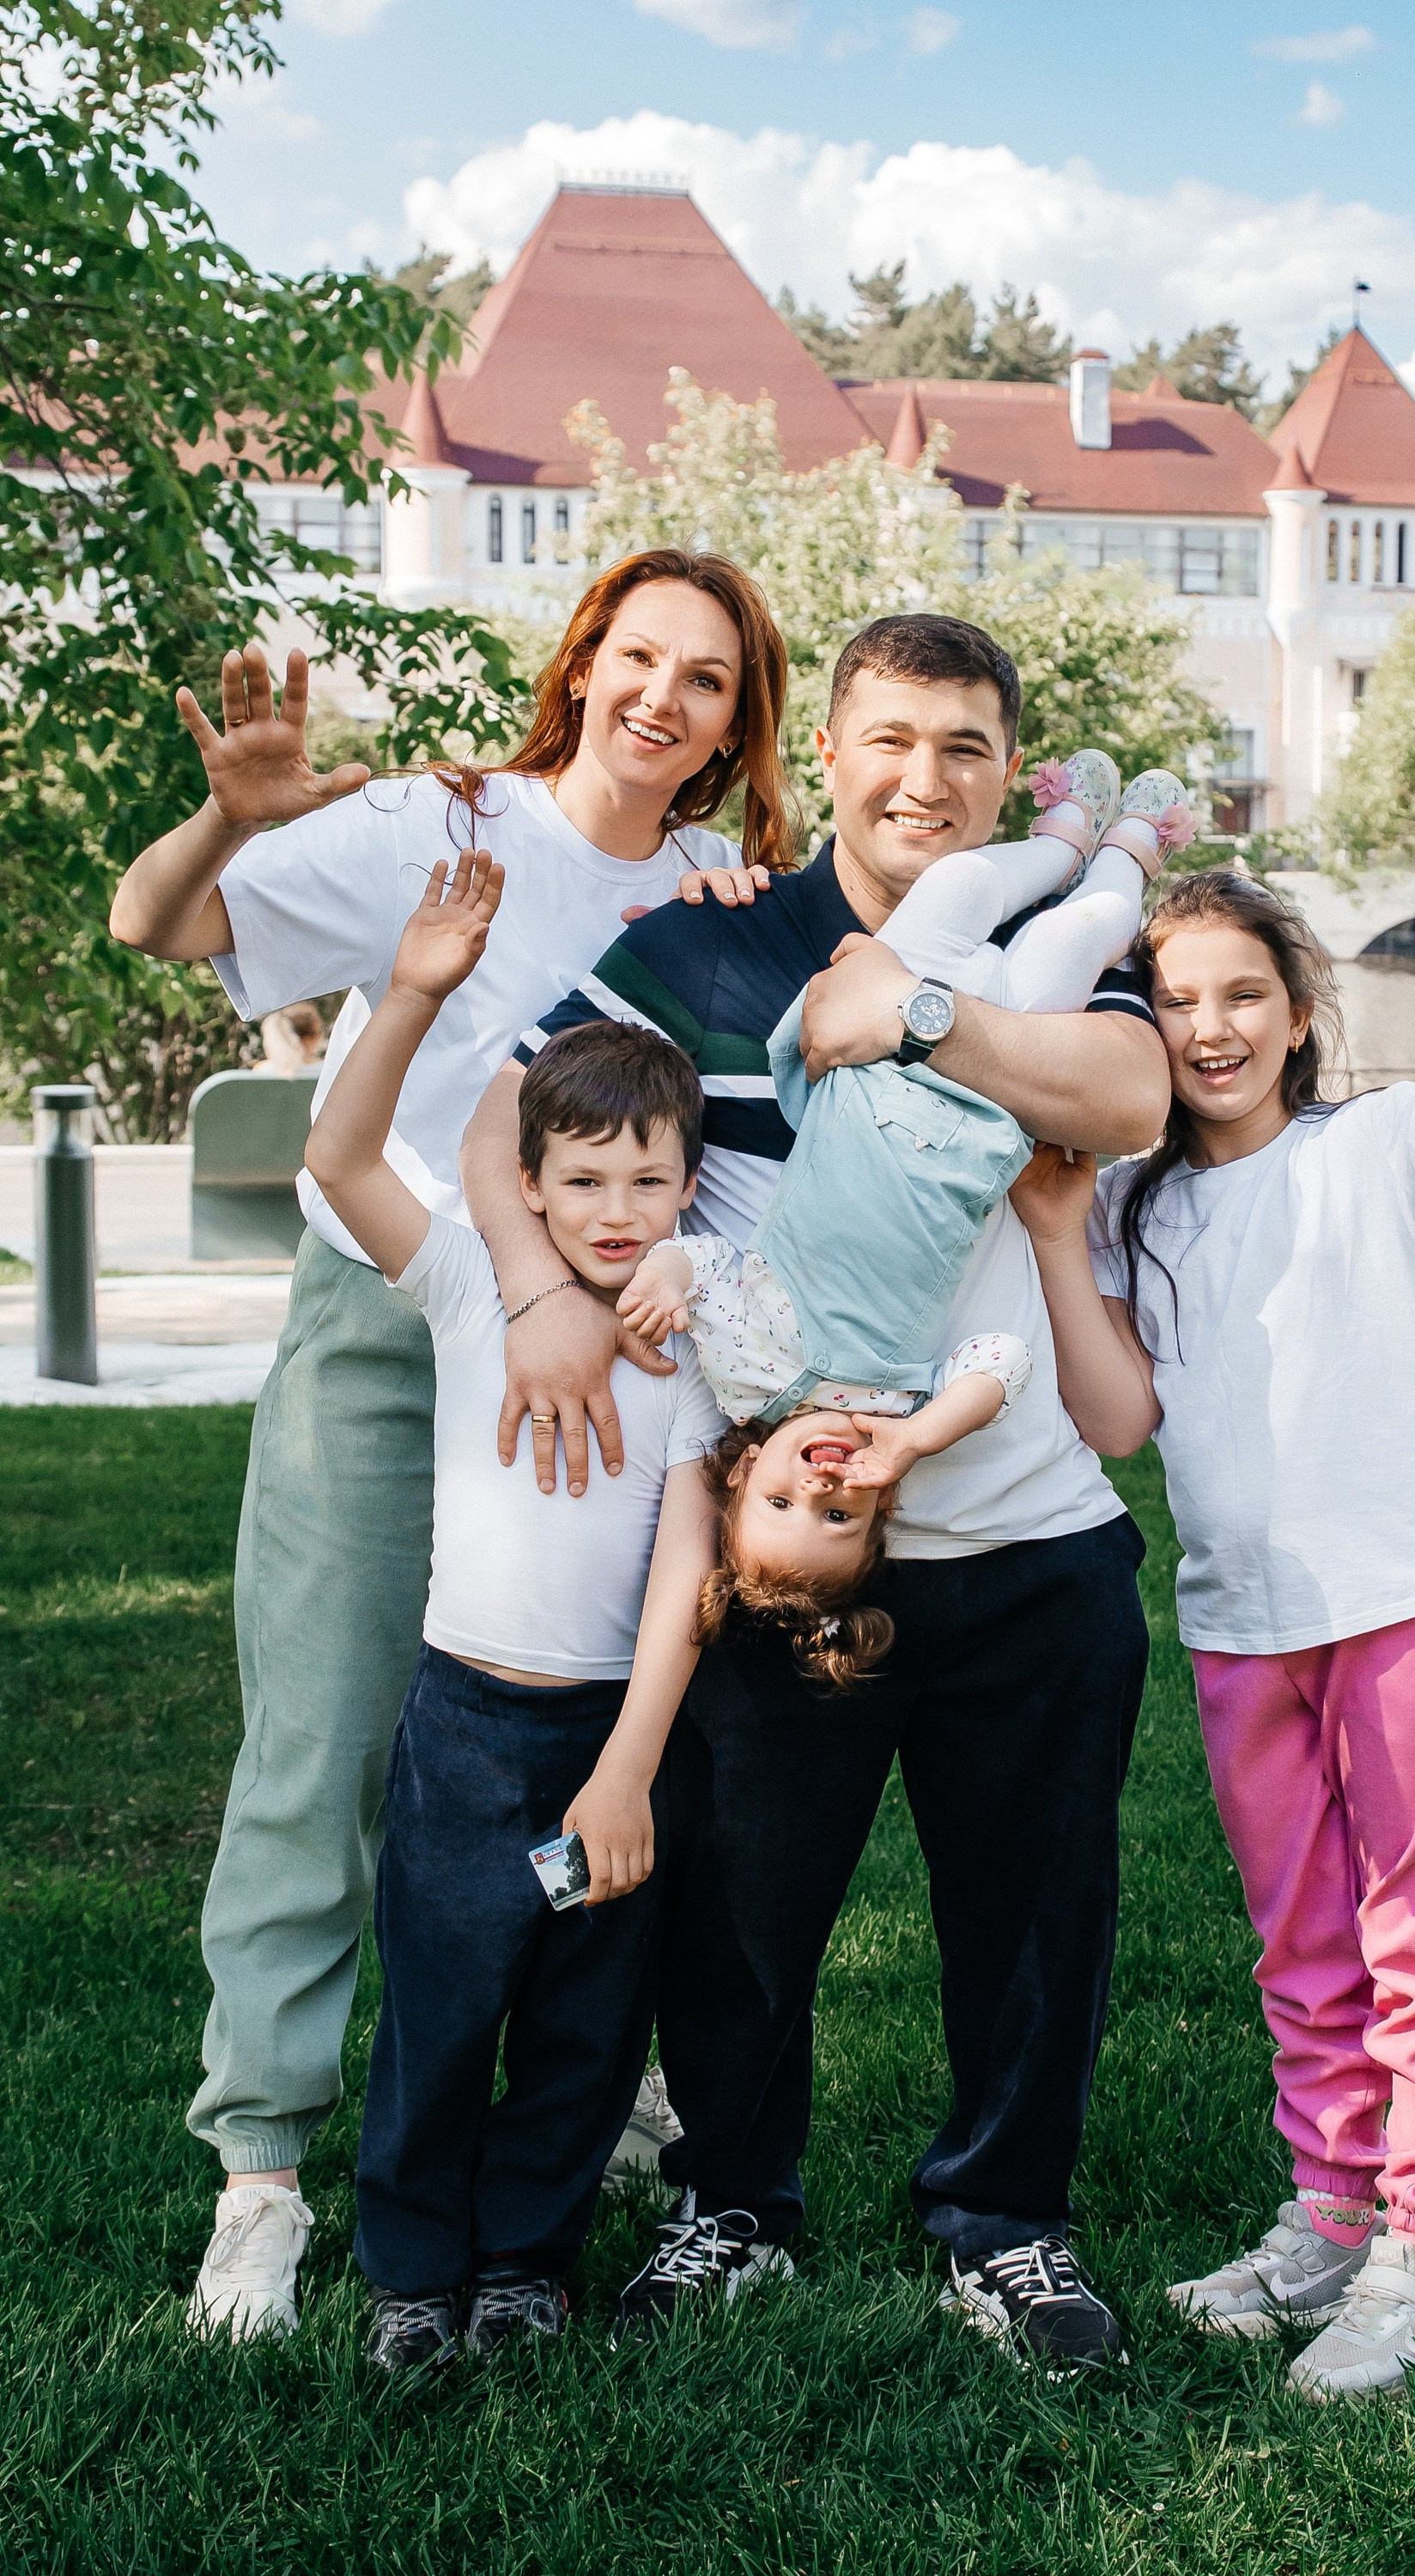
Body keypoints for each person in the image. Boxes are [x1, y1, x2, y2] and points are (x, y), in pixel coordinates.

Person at [461, 613, 1172, 2372]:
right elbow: (502, 1119)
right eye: (892, 738)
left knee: (1034, 1905)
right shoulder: (720, 948)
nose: (924, 777)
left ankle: (1004, 2224)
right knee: (742, 1906)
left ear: (1011, 774)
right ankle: (731, 2206)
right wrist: (543, 1291)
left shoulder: (1038, 940)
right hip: (785, 1553)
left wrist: (923, 1013)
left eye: (966, 749)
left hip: (1025, 1538)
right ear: (828, 752)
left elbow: (1133, 1088)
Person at [108, 548, 797, 2340]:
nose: (662, 696)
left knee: (596, 1723)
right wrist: (225, 820)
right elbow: (159, 927)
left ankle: (603, 2094)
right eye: (638, 655)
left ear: (739, 722)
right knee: (323, 1736)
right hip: (391, 1324)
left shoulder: (733, 903)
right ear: (583, 664)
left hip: (613, 1383)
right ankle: (262, 2163)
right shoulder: (441, 822)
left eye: (705, 678)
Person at [1011, 766, 1415, 2403]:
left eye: (1241, 996)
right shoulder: (1131, 1209)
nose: (1206, 1029)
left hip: (1411, 1599)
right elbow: (1121, 1418)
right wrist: (1062, 1240)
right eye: (1172, 1000)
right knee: (1304, 1942)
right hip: (1242, 1622)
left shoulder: (1384, 1147)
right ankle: (1334, 2217)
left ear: (1294, 1014)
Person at [298, 848, 723, 2372]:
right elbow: (346, 1160)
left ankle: (526, 2261)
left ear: (692, 1185)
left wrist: (627, 1768)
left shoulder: (696, 1341)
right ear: (530, 1186)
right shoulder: (482, 1288)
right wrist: (411, 995)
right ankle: (415, 2268)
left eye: (650, 1180)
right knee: (445, 2007)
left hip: (616, 1730)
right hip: (465, 1725)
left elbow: (692, 1564)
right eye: (585, 1179)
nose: (617, 1210)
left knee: (584, 2025)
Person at [616, 751, 1193, 1628]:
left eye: (782, 1503)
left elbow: (704, 1262)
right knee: (1081, 935)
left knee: (960, 881)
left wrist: (662, 1277)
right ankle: (1132, 852)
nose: (817, 1485)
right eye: (838, 1513)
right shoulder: (908, 1405)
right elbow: (1000, 1361)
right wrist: (915, 1439)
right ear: (881, 1503)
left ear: (742, 1473)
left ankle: (1063, 840)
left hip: (874, 1069)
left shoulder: (743, 1378)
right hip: (984, 1103)